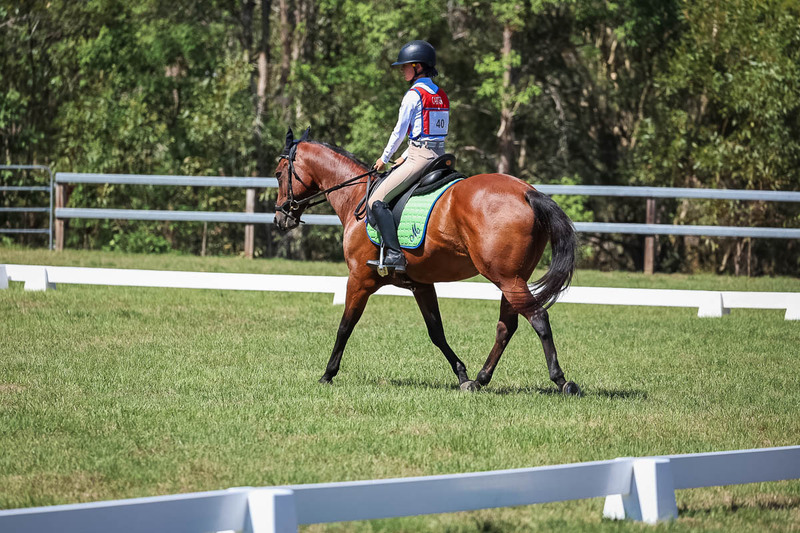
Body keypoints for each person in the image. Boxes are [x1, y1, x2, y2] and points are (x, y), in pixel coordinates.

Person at [367, 40, 450, 273]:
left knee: (376, 200)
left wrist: (385, 158)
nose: (403, 70)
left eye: (405, 66)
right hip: (440, 156)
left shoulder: (414, 95)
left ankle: (394, 254)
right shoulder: (441, 95)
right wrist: (404, 155)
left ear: (418, 67)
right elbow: (430, 130)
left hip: (420, 158)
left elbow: (399, 131)